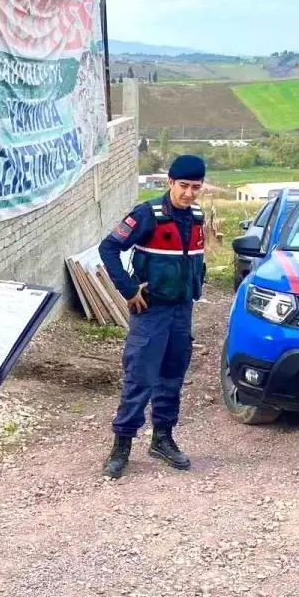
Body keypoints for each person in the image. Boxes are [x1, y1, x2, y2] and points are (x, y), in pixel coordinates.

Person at [99, 154, 207, 479]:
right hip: (151, 311)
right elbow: (108, 248)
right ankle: (122, 446)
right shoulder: (147, 215)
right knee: (140, 378)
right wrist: (129, 290)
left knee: (172, 376)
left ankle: (162, 438)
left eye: (196, 187)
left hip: (181, 310)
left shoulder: (198, 217)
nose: (189, 194)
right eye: (184, 186)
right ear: (170, 182)